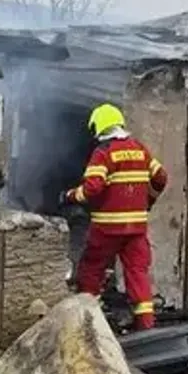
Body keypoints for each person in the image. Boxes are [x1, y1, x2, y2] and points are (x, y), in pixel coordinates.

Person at [63, 103, 167, 330]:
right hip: (136, 229)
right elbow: (161, 177)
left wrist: (71, 195)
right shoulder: (139, 149)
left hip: (106, 228)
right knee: (137, 273)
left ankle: (86, 322)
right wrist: (148, 202)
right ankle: (146, 326)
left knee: (91, 269)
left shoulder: (103, 153)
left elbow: (92, 188)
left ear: (99, 127)